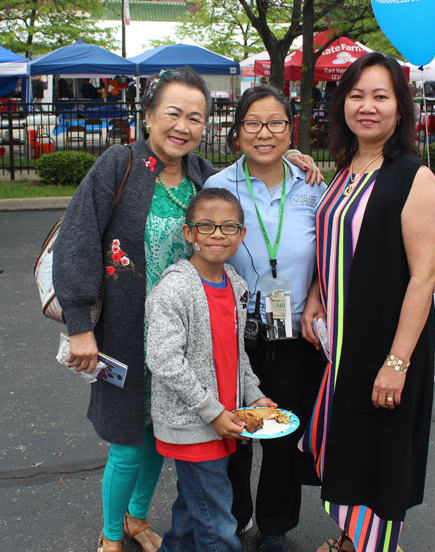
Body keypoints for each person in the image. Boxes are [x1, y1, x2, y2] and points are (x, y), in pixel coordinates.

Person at [52, 67, 322, 552]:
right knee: (129, 442)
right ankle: (111, 535)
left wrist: (293, 156)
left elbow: (254, 169)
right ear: (150, 115)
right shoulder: (120, 164)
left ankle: (136, 518)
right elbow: (77, 241)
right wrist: (79, 325)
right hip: (127, 333)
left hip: (195, 332)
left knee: (165, 431)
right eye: (173, 113)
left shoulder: (200, 173)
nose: (183, 126)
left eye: (195, 118)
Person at [299, 52, 435, 552]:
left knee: (377, 450)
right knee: (349, 446)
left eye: (381, 96)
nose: (367, 106)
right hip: (340, 342)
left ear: (400, 108)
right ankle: (348, 541)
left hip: (385, 341)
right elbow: (332, 240)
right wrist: (317, 295)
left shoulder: (413, 177)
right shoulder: (345, 167)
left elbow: (423, 278)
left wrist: (397, 363)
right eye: (357, 95)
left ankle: (376, 546)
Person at [204, 84, 327, 552]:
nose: (264, 133)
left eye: (275, 123)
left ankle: (274, 528)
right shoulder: (217, 187)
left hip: (293, 334)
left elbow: (329, 256)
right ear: (237, 133)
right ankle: (231, 522)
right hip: (233, 336)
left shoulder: (314, 188)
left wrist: (316, 290)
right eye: (252, 123)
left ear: (289, 130)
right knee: (234, 437)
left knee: (282, 437)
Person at [146, 187, 277, 552]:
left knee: (193, 508)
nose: (217, 234)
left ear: (241, 234)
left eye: (228, 227)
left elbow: (237, 355)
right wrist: (213, 412)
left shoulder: (235, 284)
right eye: (206, 226)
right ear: (189, 233)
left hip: (224, 418)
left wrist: (254, 395)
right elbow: (164, 361)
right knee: (219, 524)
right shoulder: (174, 290)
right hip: (194, 425)